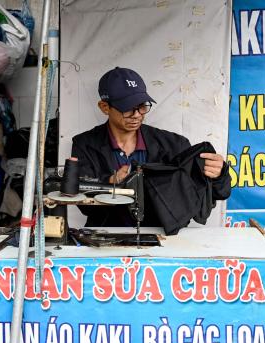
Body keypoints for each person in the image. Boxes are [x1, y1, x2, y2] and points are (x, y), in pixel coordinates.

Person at [71, 67, 231, 227]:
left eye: (142, 106)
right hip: (105, 236)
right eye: (127, 108)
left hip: (164, 238)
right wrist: (110, 183)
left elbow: (220, 193)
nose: (137, 114)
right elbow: (84, 205)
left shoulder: (174, 145)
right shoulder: (85, 144)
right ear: (105, 107)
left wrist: (219, 174)